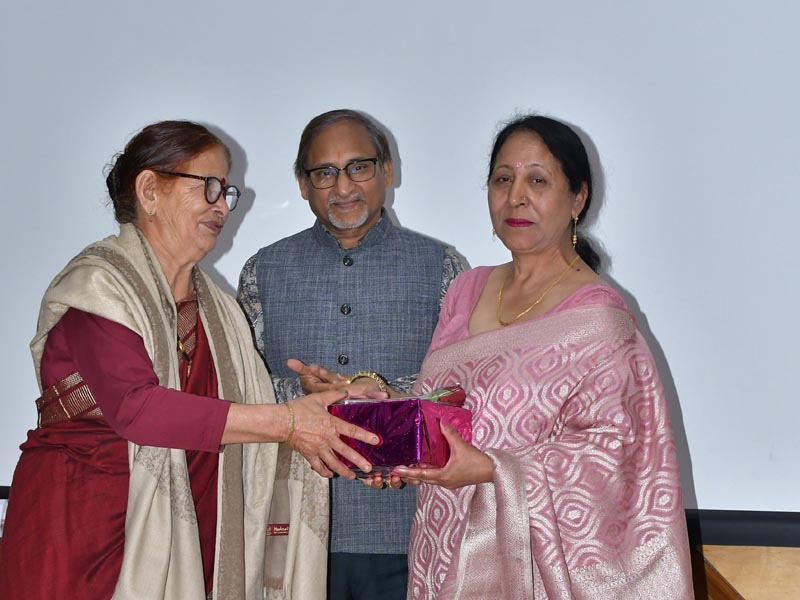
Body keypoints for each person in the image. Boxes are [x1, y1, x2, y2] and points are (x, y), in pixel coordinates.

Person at [0, 120, 379, 600]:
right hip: (82, 536)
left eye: (226, 192)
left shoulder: (219, 311)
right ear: (149, 191)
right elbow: (138, 408)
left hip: (197, 539)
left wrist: (329, 410)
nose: (222, 206)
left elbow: (245, 414)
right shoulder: (100, 287)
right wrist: (288, 421)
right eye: (209, 187)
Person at [390, 115, 694, 598]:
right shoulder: (466, 290)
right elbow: (445, 405)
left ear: (578, 198)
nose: (516, 197)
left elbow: (617, 455)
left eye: (537, 180)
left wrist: (492, 469)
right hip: (441, 543)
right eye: (502, 179)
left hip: (533, 569)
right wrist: (386, 408)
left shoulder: (598, 319)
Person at [238, 109, 465, 600]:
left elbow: (458, 388)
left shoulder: (442, 267)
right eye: (324, 173)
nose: (343, 187)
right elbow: (241, 387)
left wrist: (379, 391)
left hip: (407, 524)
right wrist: (301, 392)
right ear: (303, 185)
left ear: (387, 170)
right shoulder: (263, 270)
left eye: (359, 167)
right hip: (291, 524)